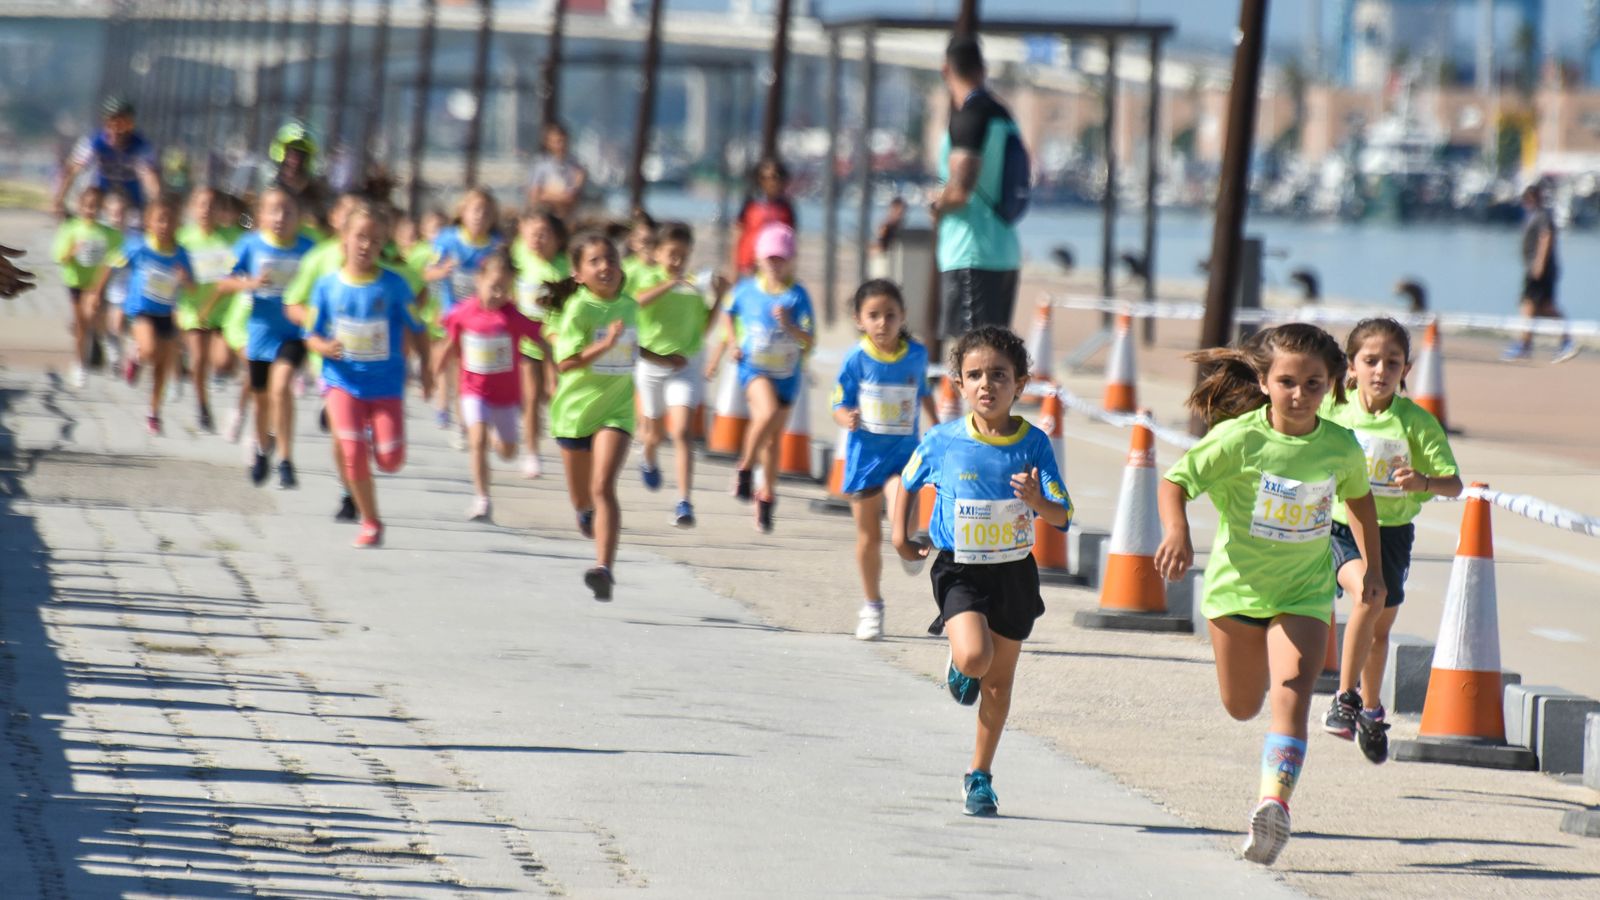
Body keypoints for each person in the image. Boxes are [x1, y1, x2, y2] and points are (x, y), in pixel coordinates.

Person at [1153, 323, 1382, 867]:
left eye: (1313, 384)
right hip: (1237, 591)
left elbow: (1360, 500)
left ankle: (1273, 806)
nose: (1300, 395)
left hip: (1303, 593)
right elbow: (1175, 482)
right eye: (1287, 382)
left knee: (1292, 696)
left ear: (1332, 385)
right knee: (1241, 705)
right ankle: (1271, 790)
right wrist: (1177, 531)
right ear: (1263, 380)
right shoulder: (1238, 439)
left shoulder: (1339, 444)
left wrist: (1370, 565)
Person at [890, 325, 1071, 817]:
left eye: (999, 375)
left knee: (998, 684)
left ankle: (980, 776)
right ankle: (959, 658)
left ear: (1021, 384)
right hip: (959, 569)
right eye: (975, 375)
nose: (986, 385)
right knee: (974, 659)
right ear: (958, 384)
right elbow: (908, 481)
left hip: (1013, 571)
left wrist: (1038, 502)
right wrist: (899, 535)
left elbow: (1062, 514)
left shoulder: (1033, 444)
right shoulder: (944, 440)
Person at [1320, 318, 1462, 764]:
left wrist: (1423, 482)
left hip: (1393, 532)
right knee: (1368, 593)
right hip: (1341, 526)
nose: (1381, 370)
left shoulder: (1416, 422)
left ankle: (1372, 709)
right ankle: (1345, 698)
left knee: (1379, 630)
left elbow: (1454, 484)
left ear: (1407, 369)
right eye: (1371, 361)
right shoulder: (1333, 411)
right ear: (1351, 366)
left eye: (1392, 362)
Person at [303, 202, 433, 548]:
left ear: (382, 246)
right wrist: (323, 347)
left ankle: (381, 446)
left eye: (375, 240)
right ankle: (371, 521)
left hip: (385, 384)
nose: (366, 245)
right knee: (352, 451)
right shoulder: (327, 286)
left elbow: (418, 328)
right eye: (360, 237)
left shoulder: (394, 286)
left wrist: (428, 370)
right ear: (343, 239)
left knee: (390, 460)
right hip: (341, 381)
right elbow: (310, 333)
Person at [546, 233, 650, 601]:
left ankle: (603, 568)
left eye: (610, 259)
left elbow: (638, 344)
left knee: (603, 486)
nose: (605, 266)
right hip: (575, 413)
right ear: (578, 274)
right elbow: (566, 361)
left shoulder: (629, 305)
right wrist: (604, 345)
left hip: (617, 411)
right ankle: (586, 513)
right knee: (583, 499)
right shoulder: (579, 309)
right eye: (595, 261)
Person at [833, 279, 938, 640]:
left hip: (902, 454)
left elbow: (923, 391)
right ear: (859, 319)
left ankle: (908, 536)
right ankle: (872, 605)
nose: (882, 323)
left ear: (902, 316)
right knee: (867, 537)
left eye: (890, 315)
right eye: (873, 315)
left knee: (899, 498)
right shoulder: (856, 359)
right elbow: (839, 401)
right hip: (864, 458)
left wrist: (937, 427)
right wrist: (844, 417)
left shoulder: (916, 355)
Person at [706, 222, 815, 533]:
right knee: (765, 413)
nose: (775, 265)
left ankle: (766, 496)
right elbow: (729, 312)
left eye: (781, 259)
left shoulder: (798, 295)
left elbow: (810, 338)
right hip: (754, 369)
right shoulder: (747, 290)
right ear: (758, 259)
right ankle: (744, 467)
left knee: (773, 439)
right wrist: (733, 343)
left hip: (787, 373)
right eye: (770, 259)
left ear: (791, 260)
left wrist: (791, 326)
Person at [435, 247, 551, 522]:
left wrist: (552, 370)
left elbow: (542, 341)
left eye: (505, 288)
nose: (498, 294)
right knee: (477, 441)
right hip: (472, 391)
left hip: (505, 396)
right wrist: (434, 375)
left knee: (509, 452)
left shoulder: (512, 316)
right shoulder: (463, 313)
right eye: (494, 287)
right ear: (479, 280)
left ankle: (502, 441)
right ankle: (482, 499)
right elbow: (448, 346)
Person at [218, 188, 316, 488]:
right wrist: (250, 282)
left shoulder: (308, 249)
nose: (280, 218)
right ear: (260, 216)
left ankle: (286, 459)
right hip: (260, 333)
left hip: (294, 332)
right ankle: (262, 449)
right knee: (261, 402)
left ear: (299, 218)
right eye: (273, 211)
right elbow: (223, 282)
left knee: (281, 386)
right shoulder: (249, 245)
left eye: (288, 212)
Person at [633, 221, 727, 527]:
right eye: (671, 254)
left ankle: (684, 501)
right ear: (657, 253)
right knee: (653, 434)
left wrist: (719, 298)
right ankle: (647, 456)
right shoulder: (647, 277)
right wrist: (668, 284)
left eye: (683, 255)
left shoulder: (693, 287)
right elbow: (636, 303)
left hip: (685, 366)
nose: (677, 261)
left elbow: (704, 328)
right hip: (652, 364)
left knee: (683, 432)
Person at [932, 35, 1023, 339]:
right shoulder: (1004, 115)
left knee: (971, 359)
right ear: (982, 69)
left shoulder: (968, 117)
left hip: (970, 252)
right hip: (1005, 249)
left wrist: (935, 204)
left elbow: (960, 190)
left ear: (946, 70)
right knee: (996, 359)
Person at [90, 195, 193, 435]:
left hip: (166, 312)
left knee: (162, 366)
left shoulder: (181, 253)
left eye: (171, 221)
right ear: (148, 222)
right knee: (148, 349)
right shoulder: (138, 247)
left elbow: (192, 286)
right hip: (141, 311)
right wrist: (97, 293)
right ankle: (135, 356)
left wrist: (185, 279)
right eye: (160, 220)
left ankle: (153, 412)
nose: (165, 226)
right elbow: (111, 265)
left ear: (178, 223)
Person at [424, 187, 504, 436]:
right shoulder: (447, 239)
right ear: (463, 212)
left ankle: (463, 420)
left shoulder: (495, 245)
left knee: (464, 366)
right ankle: (442, 401)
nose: (480, 215)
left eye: (486, 211)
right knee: (446, 360)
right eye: (475, 210)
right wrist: (443, 271)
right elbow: (428, 273)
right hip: (449, 311)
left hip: (478, 317)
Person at [509, 206, 569, 479]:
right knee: (531, 398)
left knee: (551, 396)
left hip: (555, 343)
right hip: (525, 343)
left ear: (557, 239)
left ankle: (550, 436)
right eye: (534, 234)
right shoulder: (520, 256)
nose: (537, 239)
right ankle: (532, 452)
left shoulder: (563, 267)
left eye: (544, 235)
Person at [177, 187, 241, 431]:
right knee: (199, 358)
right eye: (201, 205)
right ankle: (202, 405)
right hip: (194, 307)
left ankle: (222, 373)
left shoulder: (233, 236)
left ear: (221, 211)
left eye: (212, 206)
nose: (206, 210)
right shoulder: (184, 238)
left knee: (223, 360)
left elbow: (249, 247)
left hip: (225, 311)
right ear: (192, 208)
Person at [52, 186, 121, 387]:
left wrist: (100, 286)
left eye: (95, 207)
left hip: (96, 283)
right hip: (75, 282)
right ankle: (80, 364)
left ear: (101, 209)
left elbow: (115, 258)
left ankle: (107, 338)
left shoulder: (108, 233)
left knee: (90, 314)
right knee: (82, 324)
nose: (91, 210)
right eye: (87, 206)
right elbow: (60, 257)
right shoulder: (71, 228)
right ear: (80, 206)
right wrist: (72, 251)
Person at [53, 96, 160, 219]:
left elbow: (150, 178)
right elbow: (72, 170)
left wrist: (156, 208)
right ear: (105, 123)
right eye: (111, 124)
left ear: (131, 125)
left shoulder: (142, 146)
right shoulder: (93, 142)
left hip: (132, 206)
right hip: (101, 203)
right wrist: (59, 200)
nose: (116, 130)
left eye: (123, 124)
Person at [1504, 185, 1577, 363]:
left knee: (1530, 305)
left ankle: (1526, 344)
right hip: (1534, 269)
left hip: (1540, 271)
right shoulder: (1534, 216)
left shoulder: (1543, 215)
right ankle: (1560, 341)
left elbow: (1547, 237)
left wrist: (1539, 264)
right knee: (1543, 307)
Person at [732, 157, 796, 277]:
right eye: (764, 178)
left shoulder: (786, 208)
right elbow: (738, 234)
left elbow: (791, 241)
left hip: (773, 269)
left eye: (774, 177)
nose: (770, 182)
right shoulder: (751, 203)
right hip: (748, 266)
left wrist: (790, 271)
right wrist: (734, 270)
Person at [99, 189, 139, 372]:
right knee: (113, 323)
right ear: (106, 212)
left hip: (131, 286)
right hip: (112, 286)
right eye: (113, 213)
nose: (118, 217)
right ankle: (113, 350)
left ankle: (131, 354)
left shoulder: (133, 236)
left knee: (126, 323)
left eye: (121, 213)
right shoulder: (103, 234)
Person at [526, 122, 587, 221]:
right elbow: (534, 196)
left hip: (568, 219)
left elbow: (573, 197)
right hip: (546, 218)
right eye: (556, 141)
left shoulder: (576, 166)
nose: (561, 145)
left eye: (563, 141)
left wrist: (548, 194)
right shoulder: (540, 165)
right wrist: (562, 196)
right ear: (548, 143)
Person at [620, 208, 658, 289]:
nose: (650, 247)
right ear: (632, 242)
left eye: (653, 242)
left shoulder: (664, 268)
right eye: (644, 242)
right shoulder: (623, 270)